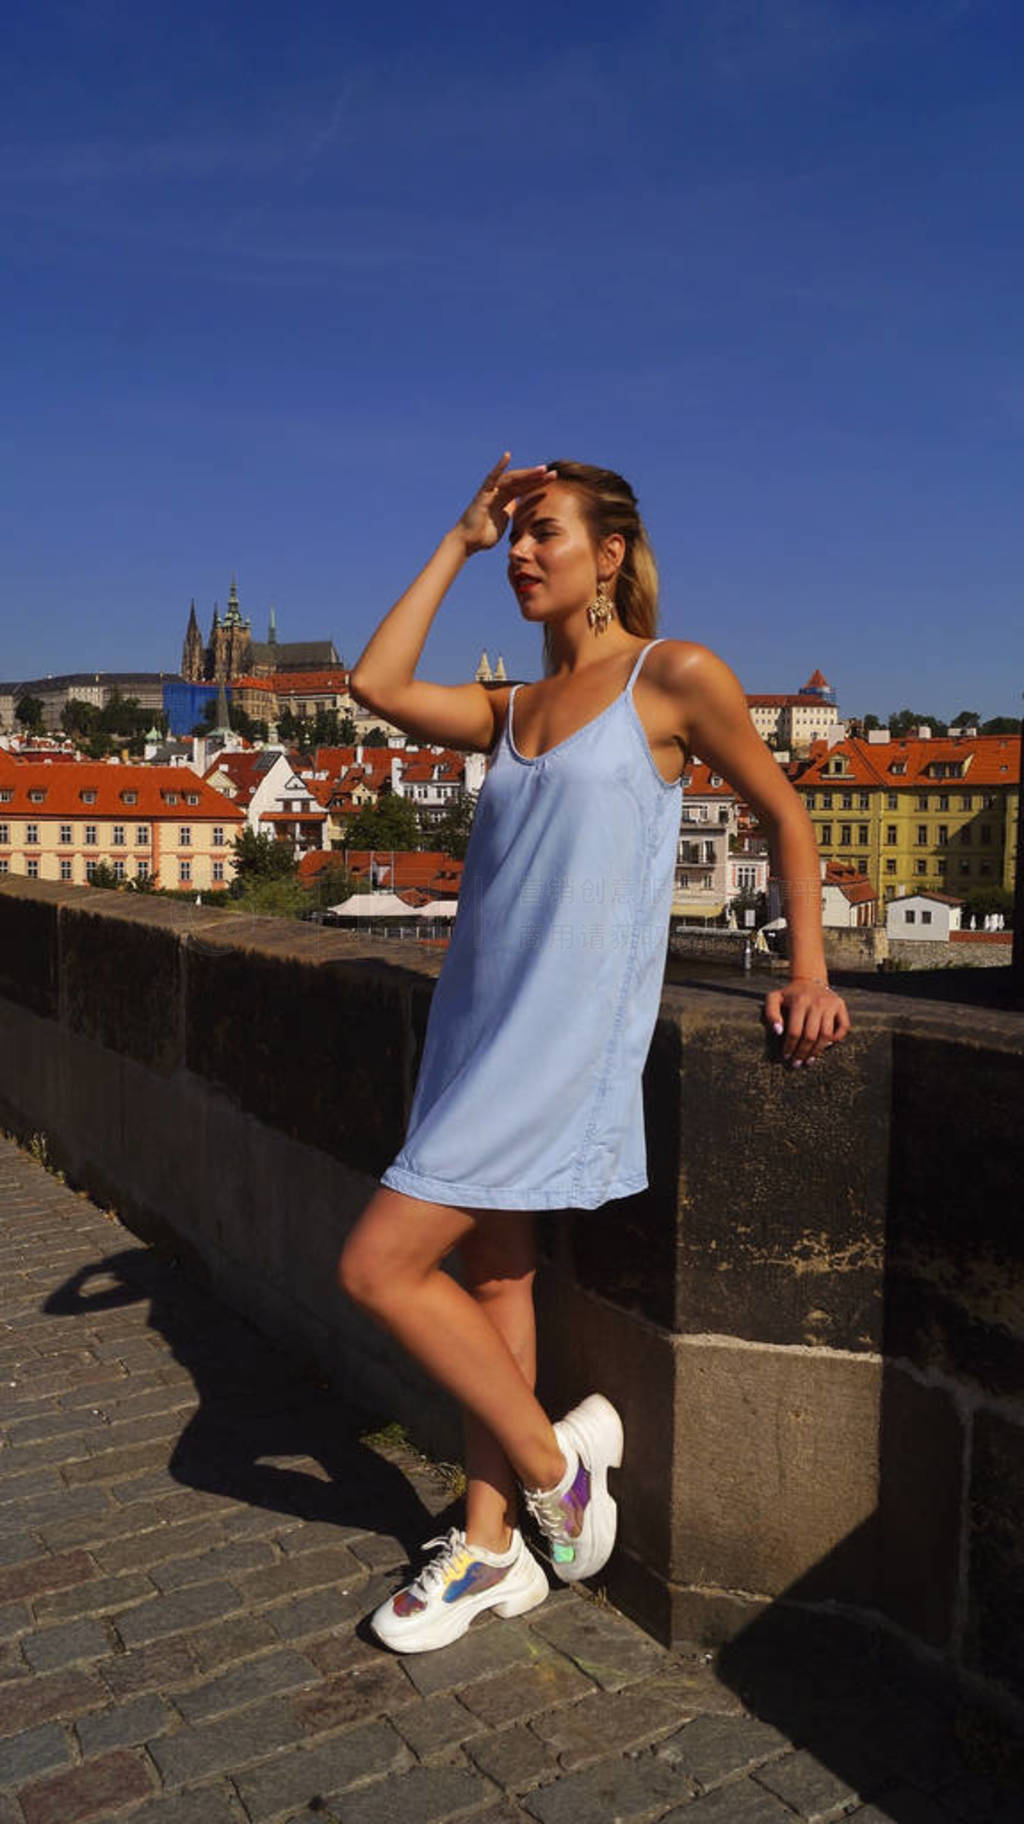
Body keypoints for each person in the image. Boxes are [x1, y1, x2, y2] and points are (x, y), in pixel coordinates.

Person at [339, 454, 851, 1654]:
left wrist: (810, 969)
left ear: (610, 557)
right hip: (473, 1030)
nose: (522, 554)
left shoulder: (670, 679)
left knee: (377, 1265)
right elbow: (372, 681)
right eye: (513, 538)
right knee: (499, 1282)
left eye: (542, 533)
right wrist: (457, 537)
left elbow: (785, 811)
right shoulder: (510, 708)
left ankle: (551, 1466)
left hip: (559, 1048)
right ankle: (489, 1546)